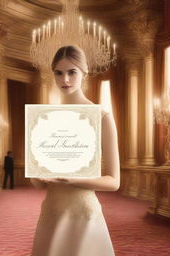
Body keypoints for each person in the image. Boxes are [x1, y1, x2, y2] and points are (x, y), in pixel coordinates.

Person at [30, 45, 120, 256]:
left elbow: (114, 182)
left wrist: (73, 180)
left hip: (84, 215)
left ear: (84, 72)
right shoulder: (44, 120)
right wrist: (37, 172)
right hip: (51, 212)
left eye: (72, 72)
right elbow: (36, 183)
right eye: (59, 73)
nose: (65, 80)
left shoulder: (102, 117)